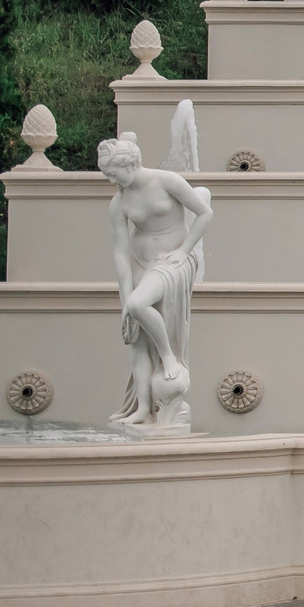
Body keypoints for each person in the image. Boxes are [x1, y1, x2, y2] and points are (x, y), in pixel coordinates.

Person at [99, 134, 212, 431]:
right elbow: (120, 252)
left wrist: (184, 250)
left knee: (139, 304)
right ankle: (143, 408)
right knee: (136, 338)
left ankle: (167, 356)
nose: (110, 180)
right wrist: (124, 298)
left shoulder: (167, 181)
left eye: (112, 173)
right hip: (140, 264)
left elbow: (204, 212)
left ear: (130, 164)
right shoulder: (119, 202)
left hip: (173, 262)